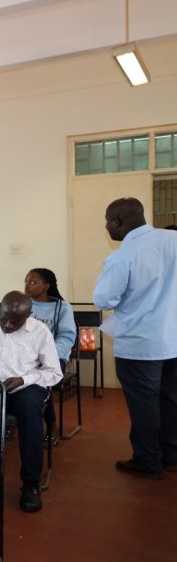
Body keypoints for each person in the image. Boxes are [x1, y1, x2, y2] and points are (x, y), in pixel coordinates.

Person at [93, 197, 177, 478]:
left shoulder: (123, 256)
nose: (106, 228)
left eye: (107, 222)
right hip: (173, 340)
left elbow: (103, 299)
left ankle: (148, 461)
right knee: (170, 399)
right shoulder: (173, 239)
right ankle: (172, 454)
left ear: (117, 222)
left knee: (144, 406)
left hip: (140, 346)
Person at [0, 292, 62, 512]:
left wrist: (24, 379)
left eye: (15, 322)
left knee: (29, 412)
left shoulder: (40, 331)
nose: (8, 325)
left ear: (29, 315)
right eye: (4, 318)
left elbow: (54, 373)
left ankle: (31, 484)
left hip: (25, 388)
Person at [24, 268, 77, 373]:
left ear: (46, 286)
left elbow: (66, 338)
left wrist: (46, 355)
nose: (27, 285)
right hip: (24, 356)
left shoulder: (62, 308)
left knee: (35, 382)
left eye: (33, 282)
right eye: (26, 281)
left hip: (53, 357)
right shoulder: (22, 304)